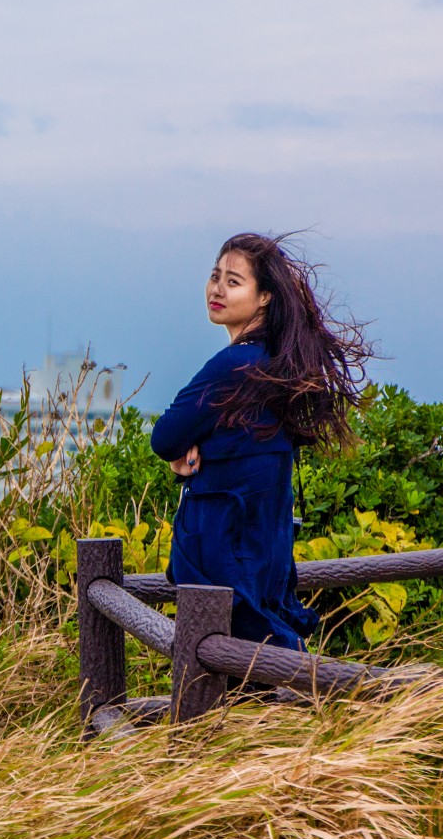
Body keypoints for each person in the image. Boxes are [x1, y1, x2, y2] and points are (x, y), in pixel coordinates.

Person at [150, 233, 373, 649]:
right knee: (257, 665)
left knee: (232, 664)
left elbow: (165, 437)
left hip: (222, 552)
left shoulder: (235, 364)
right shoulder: (278, 364)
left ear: (265, 296)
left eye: (234, 282)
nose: (217, 289)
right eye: (215, 276)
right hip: (264, 548)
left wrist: (177, 456)